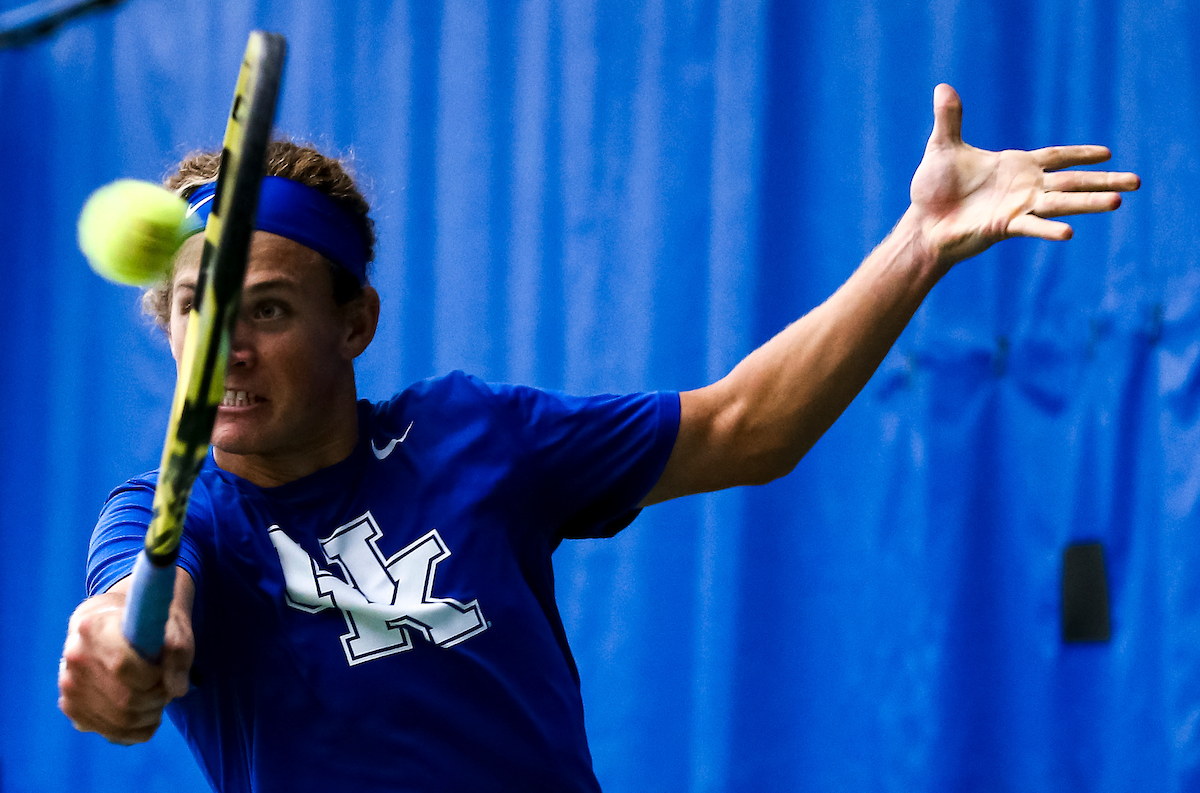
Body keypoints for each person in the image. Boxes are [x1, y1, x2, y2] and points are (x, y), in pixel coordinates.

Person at [58, 85, 1140, 791]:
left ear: (355, 324)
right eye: (200, 307)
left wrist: (921, 242)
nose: (228, 347)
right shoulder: (171, 518)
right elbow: (124, 621)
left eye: (271, 309)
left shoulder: (472, 434)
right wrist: (117, 656)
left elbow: (745, 424)